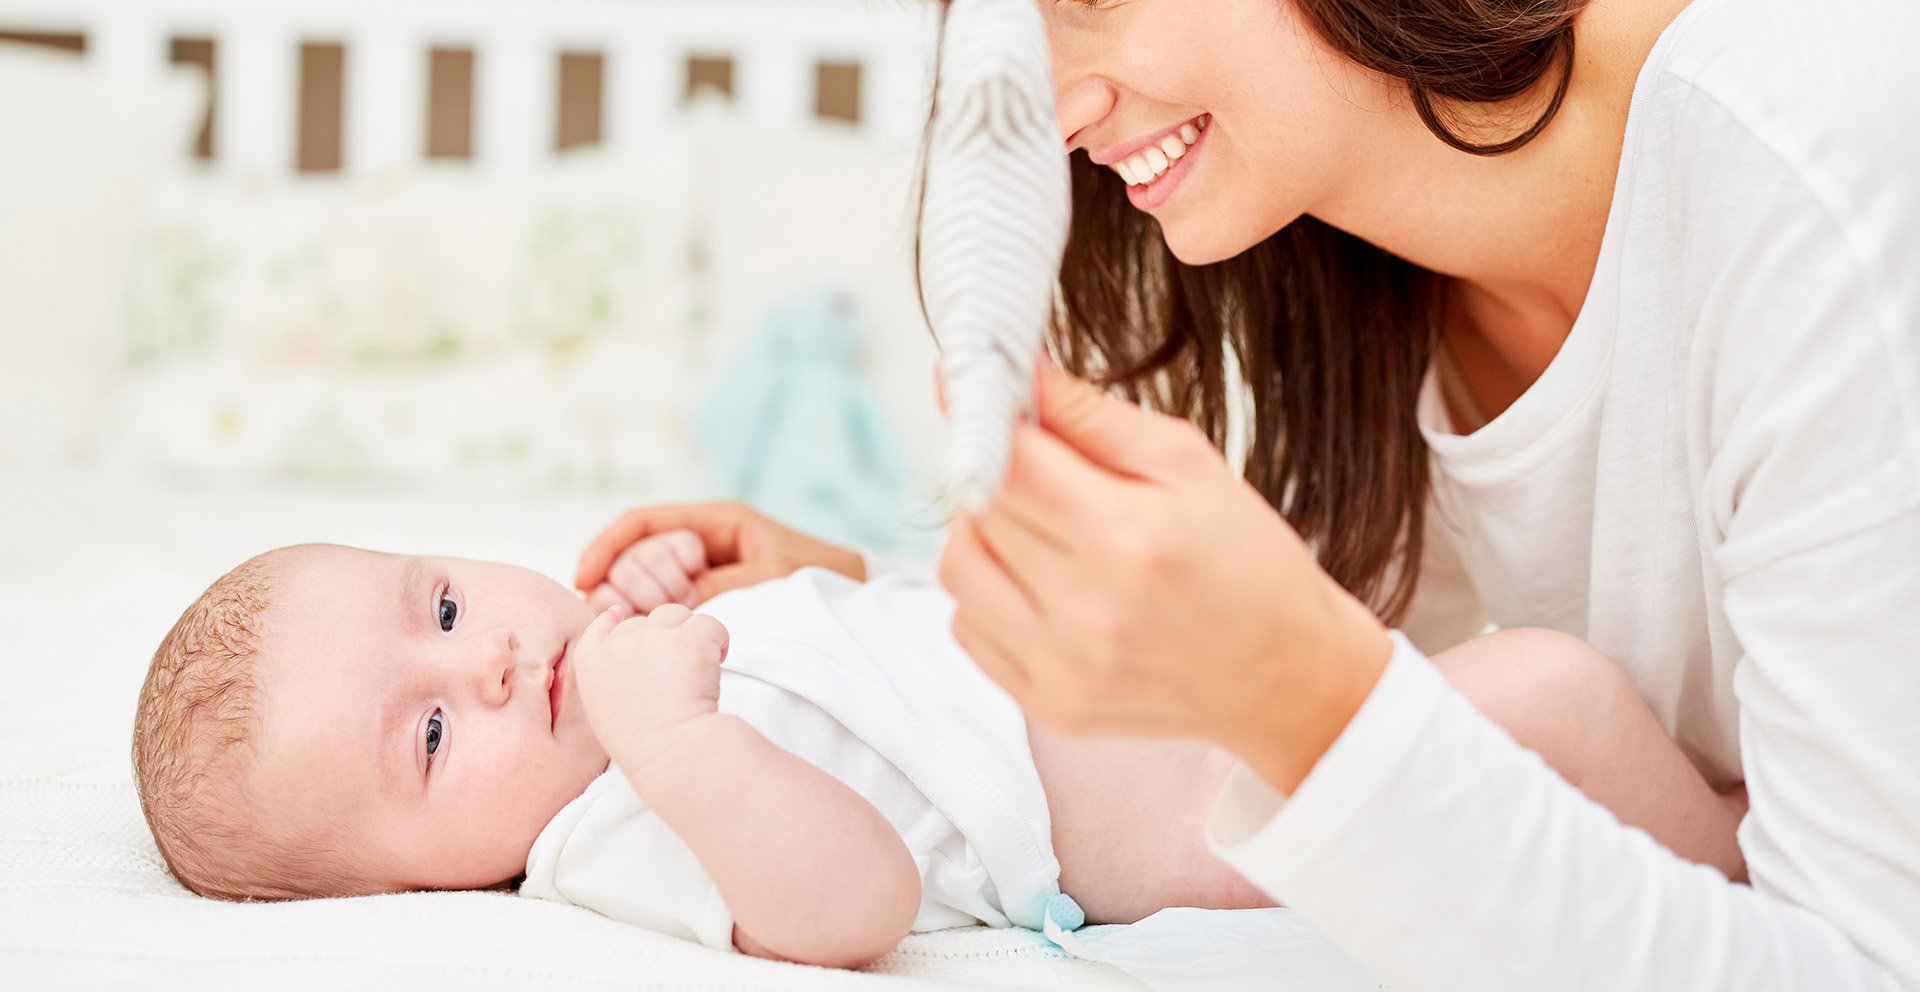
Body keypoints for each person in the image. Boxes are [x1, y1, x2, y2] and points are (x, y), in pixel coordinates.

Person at [582, 0, 1920, 987]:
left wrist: (1303, 698)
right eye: (988, 22)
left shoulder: (1819, 124)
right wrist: (880, 625)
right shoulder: (1368, 276)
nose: (1048, 112)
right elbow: (1413, 775)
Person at [133, 538, 1740, 971]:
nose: (484, 656)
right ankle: (1763, 890)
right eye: (430, 734)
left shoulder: (608, 665)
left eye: (439, 604)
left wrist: (712, 595)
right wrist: (674, 735)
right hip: (1183, 803)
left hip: (1176, 682)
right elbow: (854, 904)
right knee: (1552, 694)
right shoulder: (604, 832)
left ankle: (1738, 823)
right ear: (416, 885)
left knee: (1566, 694)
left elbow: (857, 651)